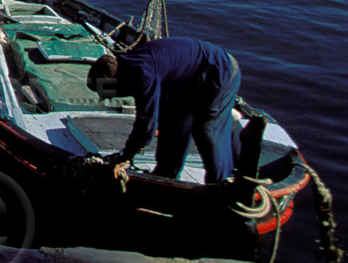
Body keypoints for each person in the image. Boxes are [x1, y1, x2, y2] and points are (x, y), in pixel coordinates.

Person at [86, 37, 240, 182]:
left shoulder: (142, 73)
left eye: (108, 92)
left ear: (111, 82)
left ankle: (222, 185)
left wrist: (125, 156)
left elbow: (146, 125)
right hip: (191, 80)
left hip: (220, 69)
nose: (111, 97)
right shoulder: (128, 64)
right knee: (172, 122)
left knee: (208, 130)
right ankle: (166, 175)